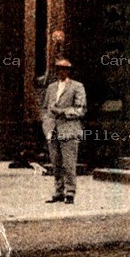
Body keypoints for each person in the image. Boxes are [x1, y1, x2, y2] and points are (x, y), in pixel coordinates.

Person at [42, 58, 86, 204]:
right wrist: (46, 125)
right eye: (59, 69)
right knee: (56, 163)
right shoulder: (51, 87)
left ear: (69, 71)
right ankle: (58, 191)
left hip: (69, 129)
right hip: (53, 129)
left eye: (65, 69)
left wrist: (62, 112)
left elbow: (80, 109)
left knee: (69, 163)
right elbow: (45, 108)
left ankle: (70, 192)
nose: (61, 71)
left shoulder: (77, 87)